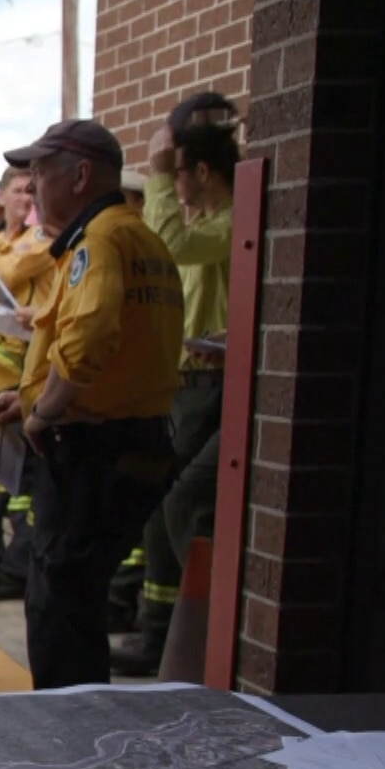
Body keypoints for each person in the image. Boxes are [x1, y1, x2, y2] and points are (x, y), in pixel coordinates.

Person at [0, 119, 183, 690]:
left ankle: (66, 735)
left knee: (58, 606)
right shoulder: (141, 237)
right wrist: (24, 394)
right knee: (77, 601)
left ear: (79, 176)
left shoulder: (95, 241)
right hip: (131, 438)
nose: (33, 188)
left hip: (92, 450)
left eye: (40, 173)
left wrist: (44, 411)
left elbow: (87, 340)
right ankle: (82, 720)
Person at [111, 111, 240, 677]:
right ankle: (160, 631)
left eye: (177, 173)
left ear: (202, 171)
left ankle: (198, 628)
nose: (173, 184)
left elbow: (170, 243)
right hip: (187, 378)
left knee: (182, 498)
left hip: (215, 387)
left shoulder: (231, 223)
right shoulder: (208, 224)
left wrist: (157, 176)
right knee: (162, 503)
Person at [0, 167, 56, 603]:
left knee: (22, 480)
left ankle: (17, 569)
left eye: (31, 190)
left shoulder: (40, 239)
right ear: (1, 196)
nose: (26, 197)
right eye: (19, 190)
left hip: (28, 375)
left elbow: (7, 271)